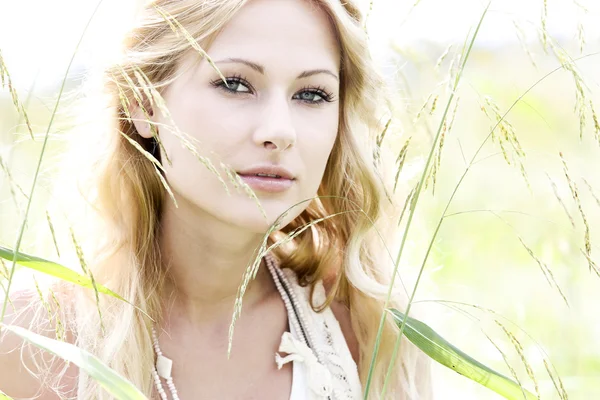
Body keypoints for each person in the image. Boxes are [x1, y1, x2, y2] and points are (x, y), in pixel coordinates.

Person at [0, 0, 432, 398]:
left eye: (311, 94)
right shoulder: (25, 338)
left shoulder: (370, 330)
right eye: (235, 84)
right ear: (143, 103)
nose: (280, 131)